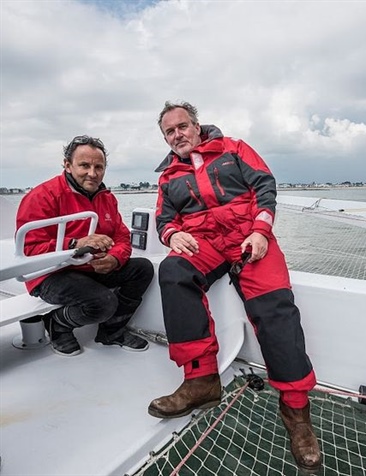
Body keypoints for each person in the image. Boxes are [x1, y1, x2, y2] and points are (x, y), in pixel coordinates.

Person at [148, 101, 322, 472]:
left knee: (274, 308)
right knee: (174, 273)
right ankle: (201, 380)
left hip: (248, 238)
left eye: (182, 126)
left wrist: (261, 231)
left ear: (197, 126)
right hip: (204, 242)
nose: (177, 134)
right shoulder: (167, 177)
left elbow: (265, 186)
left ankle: (296, 413)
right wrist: (173, 233)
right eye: (169, 131)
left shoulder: (234, 149)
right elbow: (164, 217)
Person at [16, 135, 154, 356]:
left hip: (88, 268)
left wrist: (115, 259)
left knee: (143, 269)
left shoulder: (106, 197)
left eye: (99, 167)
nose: (93, 173)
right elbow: (28, 250)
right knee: (104, 303)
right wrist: (74, 244)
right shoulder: (42, 196)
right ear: (68, 165)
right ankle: (58, 324)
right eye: (84, 165)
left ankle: (111, 331)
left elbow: (122, 238)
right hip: (50, 274)